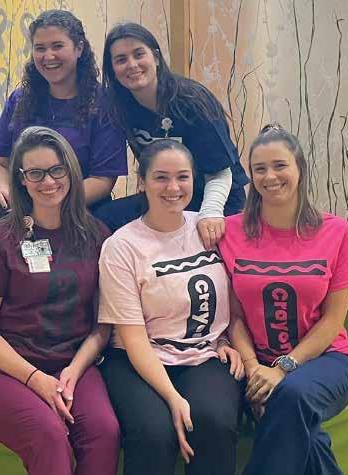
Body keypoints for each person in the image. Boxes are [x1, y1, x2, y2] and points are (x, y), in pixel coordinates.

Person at [0, 126, 120, 475]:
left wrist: (73, 371)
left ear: (71, 172)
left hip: (73, 365)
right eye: (35, 173)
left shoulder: (98, 235)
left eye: (56, 170)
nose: (48, 181)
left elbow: (102, 325)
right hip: (4, 369)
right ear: (21, 179)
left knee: (104, 433)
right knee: (48, 435)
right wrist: (35, 378)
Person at [218, 125, 348, 475]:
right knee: (303, 430)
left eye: (280, 165)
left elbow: (332, 321)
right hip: (255, 361)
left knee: (292, 395)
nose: (270, 176)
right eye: (259, 169)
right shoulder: (231, 231)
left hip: (328, 360)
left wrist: (282, 369)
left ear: (299, 167)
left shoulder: (337, 232)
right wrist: (254, 369)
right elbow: (234, 317)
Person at [98, 139, 244, 475]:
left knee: (214, 422)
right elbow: (133, 339)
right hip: (137, 359)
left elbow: (236, 296)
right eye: (161, 177)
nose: (173, 188)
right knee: (155, 434)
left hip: (205, 354)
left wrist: (227, 339)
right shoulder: (121, 246)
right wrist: (173, 398)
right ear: (142, 183)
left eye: (183, 177)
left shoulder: (211, 229)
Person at [0, 9, 127, 225]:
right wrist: (4, 191)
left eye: (57, 46)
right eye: (40, 48)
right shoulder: (20, 98)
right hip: (22, 200)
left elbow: (102, 180)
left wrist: (48, 204)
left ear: (79, 48)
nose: (48, 56)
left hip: (77, 204)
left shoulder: (103, 103)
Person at [94, 22, 249, 248]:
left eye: (139, 54)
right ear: (113, 70)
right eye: (121, 59)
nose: (132, 65)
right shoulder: (118, 105)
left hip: (215, 198)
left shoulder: (192, 101)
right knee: (102, 219)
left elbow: (220, 172)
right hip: (166, 197)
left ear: (156, 58)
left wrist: (210, 213)